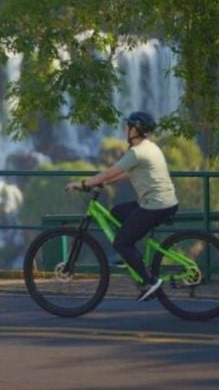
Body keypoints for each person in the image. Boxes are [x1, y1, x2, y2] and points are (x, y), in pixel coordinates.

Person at [66, 110, 179, 302]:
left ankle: (150, 281)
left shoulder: (136, 152)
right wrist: (105, 183)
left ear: (134, 130)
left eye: (127, 126)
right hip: (165, 202)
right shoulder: (151, 147)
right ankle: (132, 258)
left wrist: (84, 184)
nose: (124, 129)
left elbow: (109, 171)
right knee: (117, 213)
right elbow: (128, 173)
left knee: (121, 243)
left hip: (155, 205)